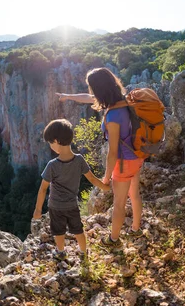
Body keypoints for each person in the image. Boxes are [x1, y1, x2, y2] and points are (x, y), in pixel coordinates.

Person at [57, 67, 145, 249]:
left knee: (119, 204)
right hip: (137, 156)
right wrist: (68, 96)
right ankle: (136, 228)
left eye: (91, 87)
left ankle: (113, 240)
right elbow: (88, 99)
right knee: (134, 195)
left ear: (99, 89)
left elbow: (113, 152)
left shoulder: (113, 116)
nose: (90, 91)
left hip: (123, 163)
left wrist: (106, 178)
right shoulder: (123, 100)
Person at [33, 118, 110, 261]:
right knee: (78, 230)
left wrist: (38, 210)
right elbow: (92, 179)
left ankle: (61, 252)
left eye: (50, 143)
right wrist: (106, 187)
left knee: (58, 231)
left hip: (55, 206)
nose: (50, 146)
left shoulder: (52, 165)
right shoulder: (79, 160)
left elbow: (43, 189)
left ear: (56, 141)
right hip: (72, 205)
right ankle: (83, 252)